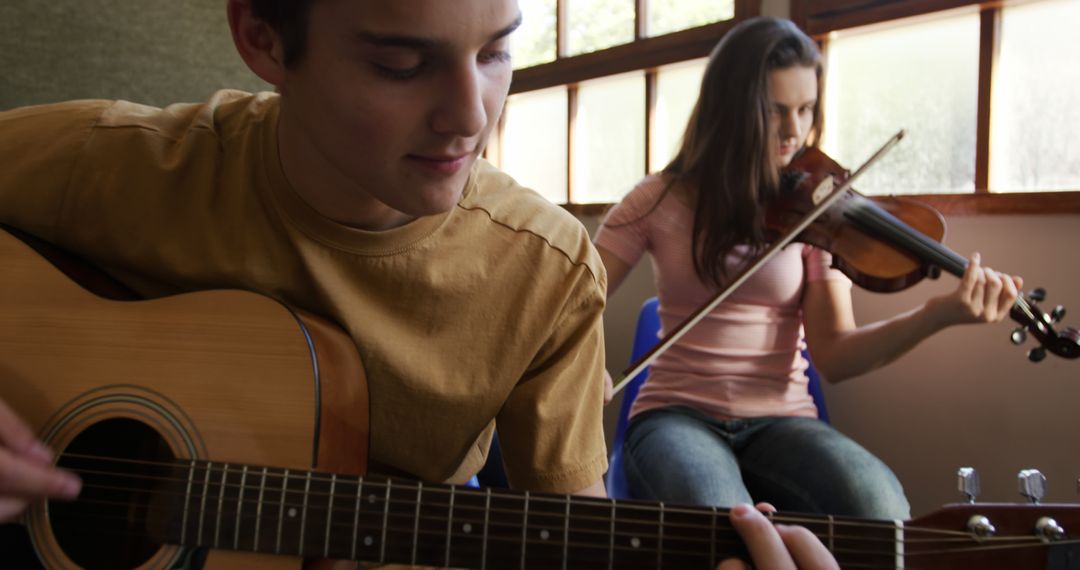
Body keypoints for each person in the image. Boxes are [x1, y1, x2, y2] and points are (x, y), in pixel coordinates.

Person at [0, 1, 839, 568]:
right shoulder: (103, 166)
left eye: (499, 50)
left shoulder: (542, 272)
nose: (473, 116)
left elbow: (583, 536)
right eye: (402, 64)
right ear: (261, 37)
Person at [595, 16, 1022, 520]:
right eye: (775, 111)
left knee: (882, 508)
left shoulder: (817, 209)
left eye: (805, 109)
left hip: (782, 422)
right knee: (724, 525)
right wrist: (583, 368)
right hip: (675, 417)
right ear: (731, 110)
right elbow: (569, 297)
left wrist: (939, 313)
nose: (794, 131)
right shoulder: (659, 198)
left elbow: (835, 355)